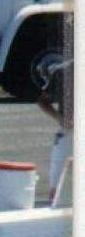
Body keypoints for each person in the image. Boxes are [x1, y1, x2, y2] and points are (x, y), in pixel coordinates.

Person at [37, 59, 72, 202]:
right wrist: (60, 118)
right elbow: (42, 101)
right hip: (69, 133)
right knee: (57, 183)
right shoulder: (62, 72)